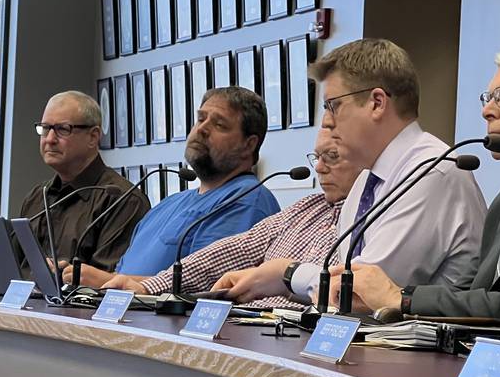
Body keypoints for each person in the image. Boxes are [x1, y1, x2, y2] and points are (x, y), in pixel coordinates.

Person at [210, 38, 486, 304]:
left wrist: (286, 273)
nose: (327, 121)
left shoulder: (431, 172)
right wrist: (274, 279)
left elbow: (357, 294)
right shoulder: (367, 180)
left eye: (333, 105)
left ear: (377, 103)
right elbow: (335, 291)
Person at [327, 46, 500, 328]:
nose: (487, 111)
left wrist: (401, 298)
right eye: (488, 98)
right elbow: (476, 297)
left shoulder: (436, 170)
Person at [104, 129, 362, 310]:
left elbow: (342, 292)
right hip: (248, 327)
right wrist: (150, 288)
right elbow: (235, 249)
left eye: (332, 157)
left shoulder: (369, 217)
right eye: (317, 157)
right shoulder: (306, 207)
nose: (318, 168)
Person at [62, 87, 281, 287]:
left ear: (248, 144)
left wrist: (106, 281)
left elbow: (210, 285)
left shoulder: (248, 200)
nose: (202, 129)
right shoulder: (169, 204)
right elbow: (124, 270)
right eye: (200, 119)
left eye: (219, 125)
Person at [19, 91, 149, 271]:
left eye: (62, 129)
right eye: (45, 128)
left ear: (93, 136)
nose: (49, 139)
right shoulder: (36, 197)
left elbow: (108, 283)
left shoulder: (122, 200)